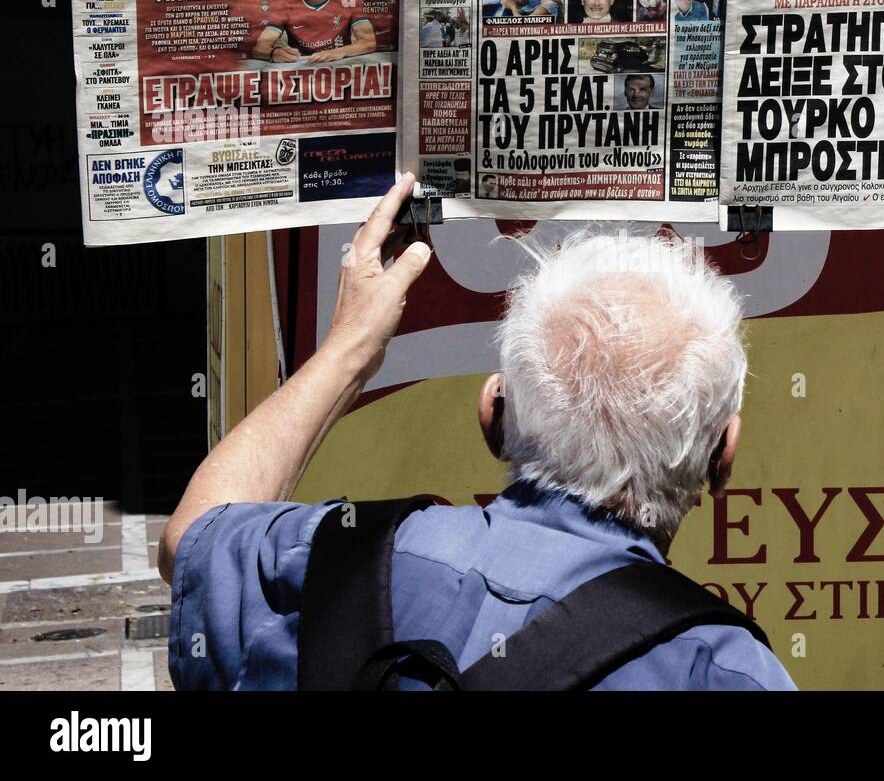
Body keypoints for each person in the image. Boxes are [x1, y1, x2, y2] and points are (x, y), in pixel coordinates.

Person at [159, 175, 796, 691]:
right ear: (723, 454)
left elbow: (192, 537)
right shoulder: (722, 670)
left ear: (493, 414)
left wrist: (349, 349)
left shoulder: (348, 565)